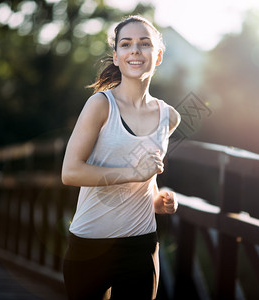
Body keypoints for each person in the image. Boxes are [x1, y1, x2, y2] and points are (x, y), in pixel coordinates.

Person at [61, 15, 181, 300]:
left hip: (140, 245)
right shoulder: (100, 105)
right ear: (116, 57)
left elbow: (147, 176)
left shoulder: (170, 117)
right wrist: (132, 172)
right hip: (89, 244)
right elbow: (70, 173)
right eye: (126, 44)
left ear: (158, 55)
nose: (135, 50)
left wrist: (160, 198)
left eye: (144, 43)